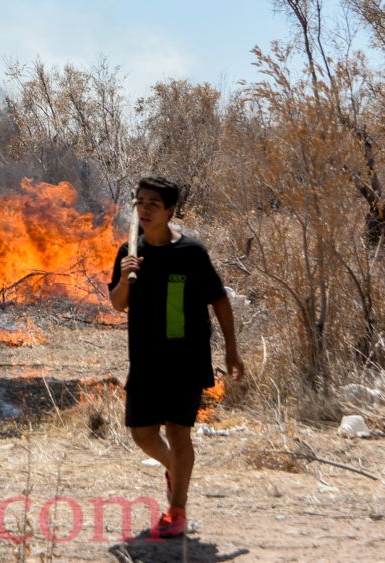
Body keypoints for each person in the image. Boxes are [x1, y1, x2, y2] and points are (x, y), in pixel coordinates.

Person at [107, 177, 245, 538]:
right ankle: (177, 468)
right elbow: (118, 304)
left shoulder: (191, 253)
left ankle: (177, 510)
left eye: (154, 203)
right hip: (146, 359)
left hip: (186, 359)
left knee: (179, 435)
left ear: (169, 210)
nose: (145, 208)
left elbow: (219, 300)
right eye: (141, 202)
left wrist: (231, 349)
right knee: (142, 434)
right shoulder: (130, 252)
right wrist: (125, 279)